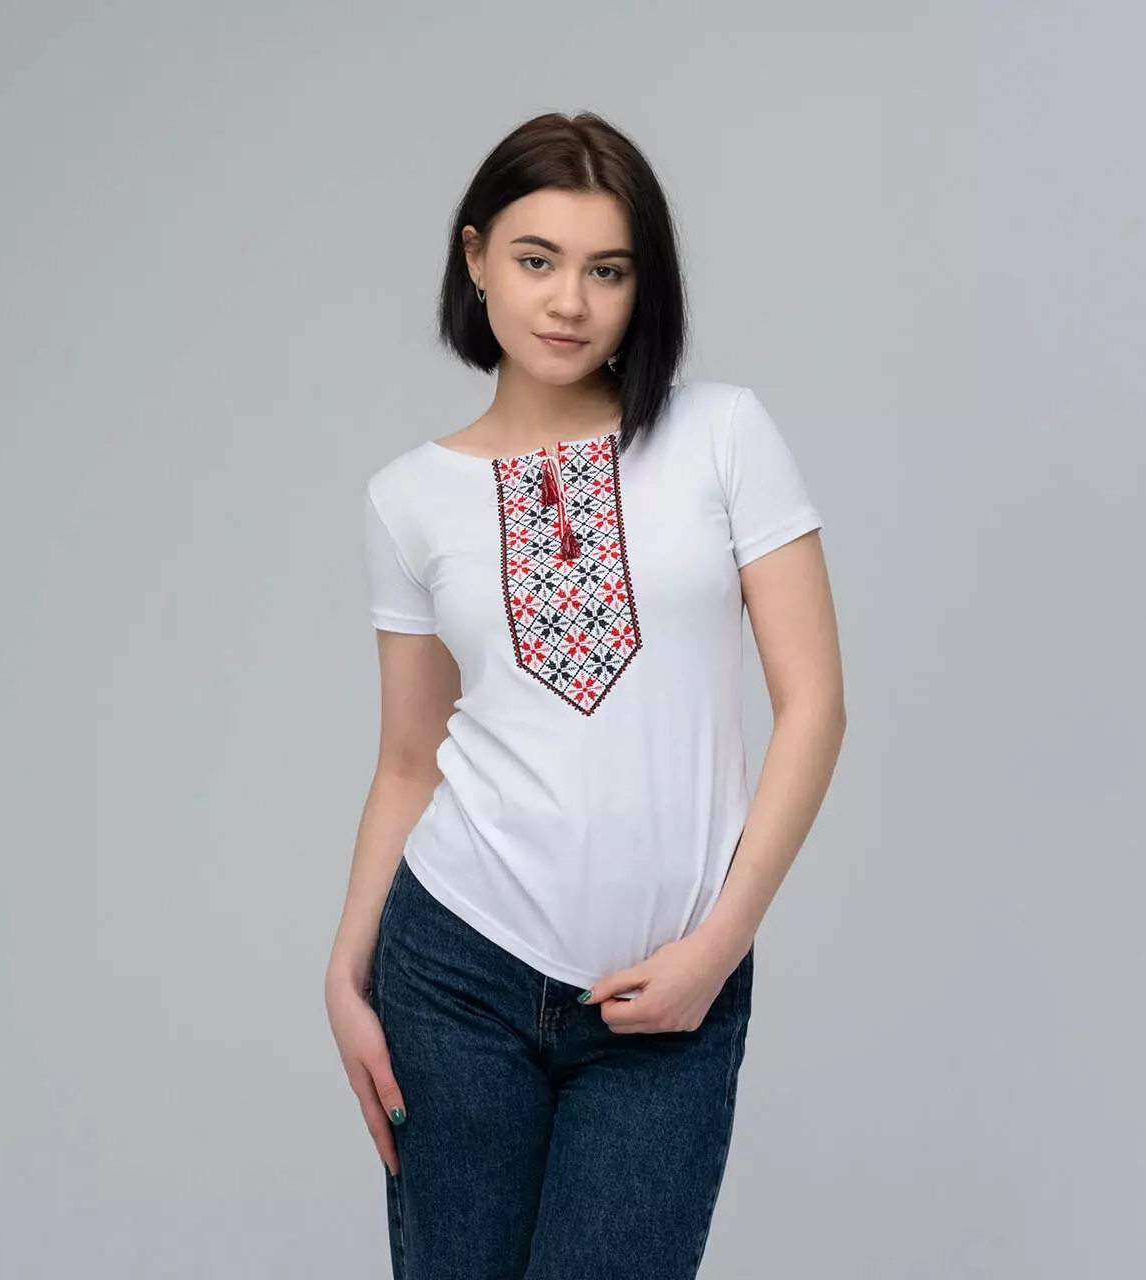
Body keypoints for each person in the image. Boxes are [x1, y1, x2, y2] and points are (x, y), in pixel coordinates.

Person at [325, 110, 846, 1280]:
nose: (569, 301)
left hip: (669, 983)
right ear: (475, 259)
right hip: (452, 968)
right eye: (536, 259)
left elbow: (813, 706)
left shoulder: (721, 434)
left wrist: (719, 945)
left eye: (607, 270)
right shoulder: (407, 497)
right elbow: (408, 757)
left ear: (641, 285)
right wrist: (345, 969)